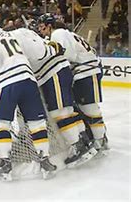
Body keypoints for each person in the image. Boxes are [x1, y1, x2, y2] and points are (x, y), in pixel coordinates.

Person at [11, 27, 97, 167]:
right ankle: (84, 140)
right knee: (68, 110)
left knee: (60, 112)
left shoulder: (17, 38)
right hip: (60, 71)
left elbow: (38, 55)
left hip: (53, 73)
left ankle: (77, 146)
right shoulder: (28, 35)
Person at [0, 26, 57, 181]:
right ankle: (45, 160)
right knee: (37, 123)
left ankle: (5, 163)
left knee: (0, 122)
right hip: (29, 79)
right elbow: (37, 54)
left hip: (7, 80)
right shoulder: (12, 36)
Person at [38, 14, 109, 156]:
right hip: (84, 73)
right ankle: (98, 138)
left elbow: (69, 56)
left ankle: (100, 141)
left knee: (90, 109)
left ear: (49, 26)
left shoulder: (58, 33)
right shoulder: (65, 33)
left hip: (85, 73)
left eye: (42, 27)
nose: (40, 30)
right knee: (85, 109)